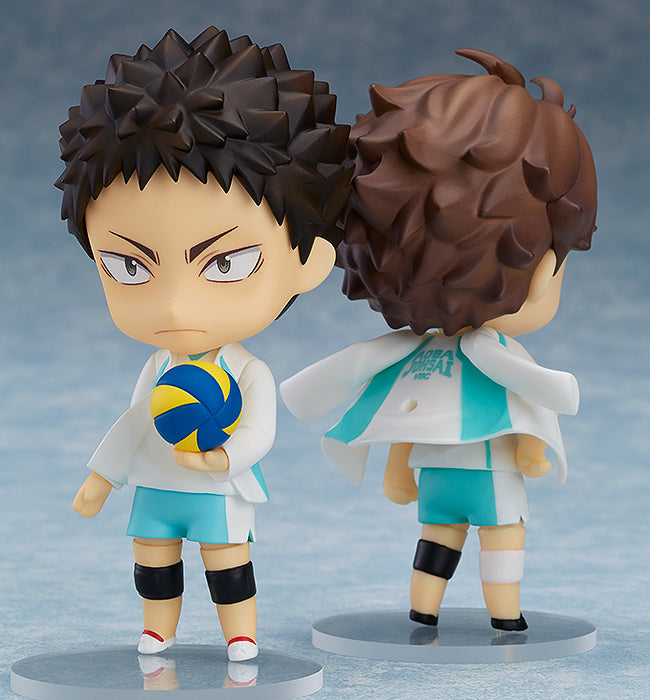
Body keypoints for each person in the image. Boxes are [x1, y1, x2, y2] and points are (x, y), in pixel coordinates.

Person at [57, 26, 352, 660]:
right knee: (153, 560)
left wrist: (222, 460)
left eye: (225, 264)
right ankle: (156, 628)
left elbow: (260, 432)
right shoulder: (157, 365)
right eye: (130, 266)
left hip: (219, 486)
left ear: (308, 261)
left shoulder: (248, 372)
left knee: (227, 563)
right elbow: (137, 420)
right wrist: (102, 477)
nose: (175, 305)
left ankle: (240, 633)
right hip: (156, 483)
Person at [281, 49, 597, 631]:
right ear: (540, 267)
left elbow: (408, 410)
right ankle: (492, 614)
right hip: (486, 479)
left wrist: (400, 466)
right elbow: (516, 402)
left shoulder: (423, 357)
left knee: (439, 541)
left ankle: (447, 609)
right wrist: (528, 450)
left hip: (444, 478)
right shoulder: (501, 358)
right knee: (495, 538)